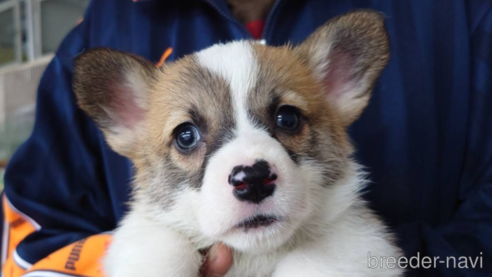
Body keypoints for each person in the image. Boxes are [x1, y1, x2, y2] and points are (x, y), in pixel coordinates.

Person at [1, 0, 491, 276]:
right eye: (188, 136)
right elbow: (32, 237)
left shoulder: (457, 14)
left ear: (337, 92)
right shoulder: (105, 23)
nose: (249, 168)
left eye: (287, 120)